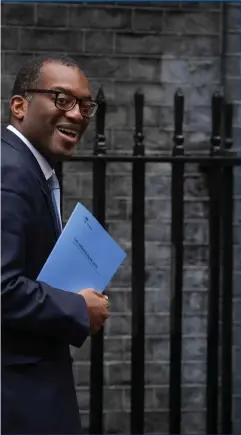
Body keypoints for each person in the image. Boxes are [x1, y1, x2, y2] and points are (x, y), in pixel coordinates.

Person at [1, 54, 109, 434]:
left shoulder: (26, 167)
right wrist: (78, 308)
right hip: (18, 400)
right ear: (19, 105)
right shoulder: (10, 172)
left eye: (85, 104)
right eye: (62, 99)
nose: (78, 114)